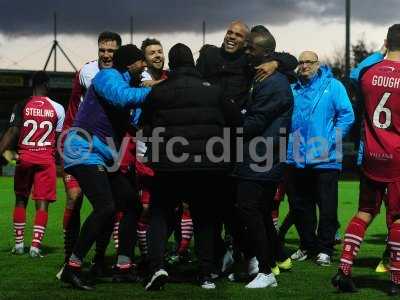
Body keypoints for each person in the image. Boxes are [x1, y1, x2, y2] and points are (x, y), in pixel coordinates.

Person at [196, 20, 298, 274]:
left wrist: (276, 62)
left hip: (240, 143)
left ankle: (259, 258)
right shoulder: (208, 55)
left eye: (238, 35)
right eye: (229, 32)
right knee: (216, 205)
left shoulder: (254, 65)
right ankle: (250, 256)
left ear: (247, 44)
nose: (231, 37)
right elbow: (188, 77)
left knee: (243, 207)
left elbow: (289, 60)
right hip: (216, 141)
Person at [142, 43, 240, 291]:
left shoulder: (158, 92)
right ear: (192, 64)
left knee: (160, 214)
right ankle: (206, 273)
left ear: (171, 65)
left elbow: (145, 126)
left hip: (169, 165)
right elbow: (236, 121)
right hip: (207, 166)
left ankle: (156, 267)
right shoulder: (214, 91)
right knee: (205, 218)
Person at [60, 45, 151, 290]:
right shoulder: (108, 76)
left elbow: (134, 117)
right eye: (141, 62)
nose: (144, 67)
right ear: (131, 63)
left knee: (130, 203)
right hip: (84, 148)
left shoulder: (126, 84)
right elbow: (122, 98)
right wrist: (154, 92)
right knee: (106, 207)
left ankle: (123, 266)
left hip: (102, 153)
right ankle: (72, 266)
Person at [332, 24, 400, 295]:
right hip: (397, 158)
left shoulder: (367, 74)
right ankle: (396, 280)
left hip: (371, 155)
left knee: (365, 212)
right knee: (398, 218)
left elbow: (354, 73)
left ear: (386, 42)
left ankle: (344, 270)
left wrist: (380, 52)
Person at [232, 31, 293, 289]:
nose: (246, 52)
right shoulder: (262, 77)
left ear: (265, 53)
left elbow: (256, 121)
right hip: (262, 155)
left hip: (262, 157)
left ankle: (265, 270)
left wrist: (227, 127)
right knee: (260, 213)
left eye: (250, 49)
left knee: (248, 209)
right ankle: (264, 264)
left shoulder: (274, 83)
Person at [59, 31, 122, 279]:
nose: (106, 55)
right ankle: (69, 258)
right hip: (78, 144)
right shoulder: (90, 72)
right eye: (102, 50)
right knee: (75, 198)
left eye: (111, 51)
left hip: (104, 146)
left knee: (106, 205)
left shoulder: (118, 74)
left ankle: (97, 259)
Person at [286, 51, 354, 266]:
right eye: (301, 62)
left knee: (327, 207)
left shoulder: (333, 86)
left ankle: (325, 248)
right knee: (300, 206)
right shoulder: (293, 89)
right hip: (297, 156)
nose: (304, 65)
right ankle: (307, 245)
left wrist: (331, 139)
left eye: (308, 62)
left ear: (318, 64)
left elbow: (347, 114)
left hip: (326, 157)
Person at [0, 71, 65, 257]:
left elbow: (12, 132)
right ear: (47, 85)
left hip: (25, 158)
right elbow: (59, 139)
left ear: (31, 85)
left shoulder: (21, 105)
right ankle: (36, 247)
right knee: (42, 203)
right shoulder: (58, 108)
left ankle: (19, 245)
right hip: (46, 160)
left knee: (21, 200)